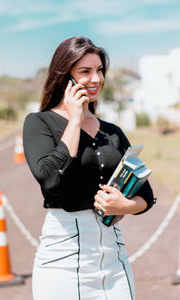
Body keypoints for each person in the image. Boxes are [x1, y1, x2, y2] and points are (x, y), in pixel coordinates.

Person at [23, 36, 155, 300]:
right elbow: (50, 180)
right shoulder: (39, 123)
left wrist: (124, 206)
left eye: (99, 70)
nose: (96, 79)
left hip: (113, 257)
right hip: (63, 258)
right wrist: (74, 120)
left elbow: (147, 194)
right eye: (85, 71)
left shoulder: (113, 132)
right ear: (65, 77)